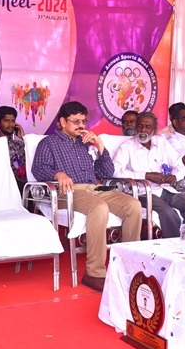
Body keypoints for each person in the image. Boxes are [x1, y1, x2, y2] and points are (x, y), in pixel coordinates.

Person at [32, 101, 142, 292]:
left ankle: (128, 266)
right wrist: (58, 174)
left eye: (84, 121)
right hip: (68, 191)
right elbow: (38, 169)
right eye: (76, 121)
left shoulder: (85, 143)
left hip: (95, 188)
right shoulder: (48, 143)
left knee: (133, 205)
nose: (81, 125)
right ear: (63, 122)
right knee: (99, 208)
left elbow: (106, 172)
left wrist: (100, 146)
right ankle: (94, 272)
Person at [113, 111, 185, 238]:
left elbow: (179, 165)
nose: (143, 130)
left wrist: (174, 176)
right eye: (140, 126)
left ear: (155, 129)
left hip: (165, 189)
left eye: (147, 127)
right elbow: (115, 170)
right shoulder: (127, 147)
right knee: (168, 213)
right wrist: (145, 176)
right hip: (143, 192)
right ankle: (173, 246)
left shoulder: (161, 142)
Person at [0, 105, 27, 194]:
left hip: (18, 186)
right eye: (6, 121)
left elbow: (30, 162)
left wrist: (24, 138)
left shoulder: (19, 144)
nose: (11, 124)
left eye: (13, 121)